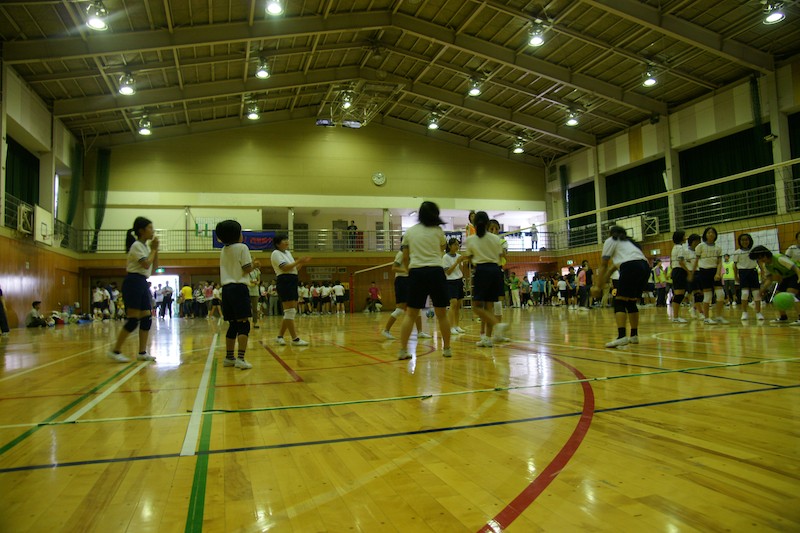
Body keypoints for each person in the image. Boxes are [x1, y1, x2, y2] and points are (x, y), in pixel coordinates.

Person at [397, 201, 453, 359]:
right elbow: (441, 249)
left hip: (417, 272)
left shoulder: (410, 232)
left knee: (410, 314)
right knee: (442, 314)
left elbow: (405, 258)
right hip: (436, 272)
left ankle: (403, 351)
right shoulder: (438, 231)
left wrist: (411, 271)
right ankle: (447, 349)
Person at [108, 217, 158, 362]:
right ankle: (115, 351)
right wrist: (153, 250)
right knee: (133, 321)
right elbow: (146, 264)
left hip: (142, 282)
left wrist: (156, 250)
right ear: (141, 230)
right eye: (150, 228)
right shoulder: (136, 246)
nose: (153, 230)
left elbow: (154, 267)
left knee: (146, 319)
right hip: (133, 282)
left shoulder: (146, 248)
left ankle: (142, 352)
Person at [591, 225, 650, 348]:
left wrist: (597, 287)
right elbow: (612, 268)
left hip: (630, 266)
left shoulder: (611, 240)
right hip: (645, 267)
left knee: (619, 302)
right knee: (631, 302)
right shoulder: (630, 243)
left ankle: (622, 336)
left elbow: (604, 265)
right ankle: (634, 335)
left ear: (611, 233)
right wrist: (602, 283)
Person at [216, 220, 258, 369]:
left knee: (233, 324)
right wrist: (255, 265)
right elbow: (246, 269)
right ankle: (241, 358)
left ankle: (229, 357)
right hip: (239, 288)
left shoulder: (223, 250)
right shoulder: (242, 247)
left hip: (226, 290)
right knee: (243, 324)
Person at [465, 211, 508, 347]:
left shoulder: (471, 239)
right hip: (495, 270)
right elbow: (501, 255)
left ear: (474, 224)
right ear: (487, 223)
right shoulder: (496, 239)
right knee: (489, 307)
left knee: (476, 307)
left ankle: (497, 325)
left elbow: (469, 258)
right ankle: (487, 339)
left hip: (482, 270)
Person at [271, 234, 311, 346]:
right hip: (285, 281)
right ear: (277, 244)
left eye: (287, 239)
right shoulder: (275, 253)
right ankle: (295, 339)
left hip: (292, 280)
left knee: (291, 311)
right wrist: (298, 261)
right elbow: (285, 268)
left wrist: (302, 262)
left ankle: (280, 336)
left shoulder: (288, 253)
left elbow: (294, 269)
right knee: (289, 311)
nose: (286, 241)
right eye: (283, 240)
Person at [382, 250, 431, 340]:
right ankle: (386, 330)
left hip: (410, 281)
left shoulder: (413, 254)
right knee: (400, 310)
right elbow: (394, 268)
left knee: (416, 307)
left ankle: (420, 332)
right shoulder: (401, 254)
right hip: (401, 281)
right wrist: (406, 270)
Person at [749, 245, 800, 325]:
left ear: (766, 254)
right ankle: (783, 317)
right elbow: (769, 279)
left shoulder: (779, 258)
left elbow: (795, 268)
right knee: (777, 297)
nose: (761, 260)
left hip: (796, 274)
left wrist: (799, 277)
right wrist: (762, 290)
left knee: (791, 296)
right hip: (786, 278)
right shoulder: (767, 265)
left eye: (761, 257)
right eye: (758, 259)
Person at [692, 226, 728, 325]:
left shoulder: (718, 248)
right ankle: (706, 318)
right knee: (708, 296)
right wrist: (692, 273)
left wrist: (718, 273)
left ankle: (719, 316)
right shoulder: (700, 246)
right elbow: (696, 261)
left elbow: (719, 262)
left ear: (715, 235)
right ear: (705, 235)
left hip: (714, 271)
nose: (711, 234)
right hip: (704, 272)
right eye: (708, 232)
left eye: (713, 232)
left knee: (721, 294)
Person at [733, 233, 764, 321]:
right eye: (742, 240)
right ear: (739, 241)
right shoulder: (737, 252)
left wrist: (762, 272)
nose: (744, 241)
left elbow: (759, 262)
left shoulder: (754, 251)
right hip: (743, 273)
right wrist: (736, 276)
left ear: (750, 240)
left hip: (753, 272)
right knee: (745, 293)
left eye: (746, 240)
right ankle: (744, 312)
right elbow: (734, 266)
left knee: (756, 294)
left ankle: (758, 312)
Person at [442, 237, 468, 334]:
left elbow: (461, 270)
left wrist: (463, 263)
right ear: (449, 246)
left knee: (458, 306)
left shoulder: (459, 256)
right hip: (450, 282)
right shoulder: (445, 257)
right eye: (455, 244)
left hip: (459, 281)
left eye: (458, 244)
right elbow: (448, 272)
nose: (457, 246)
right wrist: (457, 262)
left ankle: (457, 326)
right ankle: (450, 327)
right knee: (453, 304)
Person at [669, 231, 690, 323]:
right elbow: (681, 262)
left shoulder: (675, 247)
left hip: (676, 271)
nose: (686, 237)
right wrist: (689, 272)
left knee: (679, 295)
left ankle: (676, 317)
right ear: (681, 238)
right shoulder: (680, 248)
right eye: (684, 236)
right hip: (679, 271)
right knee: (679, 295)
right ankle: (676, 317)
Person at [248, 263, 261, 328]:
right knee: (246, 308)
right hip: (248, 291)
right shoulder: (246, 271)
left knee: (255, 308)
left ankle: (255, 322)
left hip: (255, 292)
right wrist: (251, 282)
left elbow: (259, 280)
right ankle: (246, 322)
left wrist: (257, 282)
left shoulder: (257, 271)